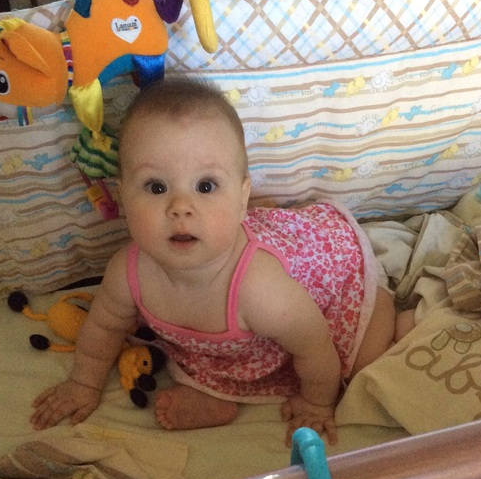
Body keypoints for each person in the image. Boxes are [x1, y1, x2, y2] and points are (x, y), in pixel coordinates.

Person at [31, 75, 414, 443]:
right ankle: (219, 394)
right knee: (188, 358)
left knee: (363, 363)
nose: (180, 207)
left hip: (333, 285)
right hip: (234, 348)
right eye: (156, 186)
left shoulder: (261, 289)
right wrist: (83, 383)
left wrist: (316, 403)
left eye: (206, 186)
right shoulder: (127, 272)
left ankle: (390, 315)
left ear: (243, 198)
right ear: (124, 198)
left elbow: (315, 349)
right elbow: (102, 328)